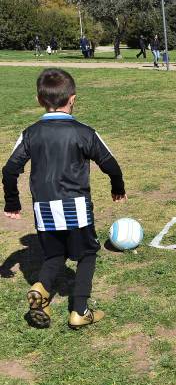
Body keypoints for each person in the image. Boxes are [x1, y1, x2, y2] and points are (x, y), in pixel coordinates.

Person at [2, 69, 126, 329]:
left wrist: (12, 201)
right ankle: (79, 310)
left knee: (54, 255)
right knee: (88, 253)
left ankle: (42, 288)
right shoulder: (84, 132)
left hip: (44, 207)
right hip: (75, 206)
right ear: (73, 99)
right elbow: (111, 164)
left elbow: (10, 169)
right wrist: (117, 187)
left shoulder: (30, 133)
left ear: (39, 100)